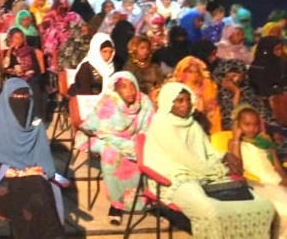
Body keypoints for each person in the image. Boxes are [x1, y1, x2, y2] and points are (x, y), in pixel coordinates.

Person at [143, 82, 275, 239]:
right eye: (179, 101)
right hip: (173, 179)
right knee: (211, 211)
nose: (185, 105)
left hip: (204, 174)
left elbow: (208, 153)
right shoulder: (161, 125)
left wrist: (224, 156)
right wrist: (218, 169)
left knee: (262, 205)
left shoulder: (192, 125)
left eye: (187, 100)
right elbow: (186, 159)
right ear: (168, 102)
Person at [0, 78, 64, 238]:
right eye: (15, 98)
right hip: (2, 185)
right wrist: (15, 173)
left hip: (35, 182)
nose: (20, 102)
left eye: (25, 98)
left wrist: (37, 171)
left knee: (37, 189)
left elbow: (47, 167)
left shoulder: (36, 128)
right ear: (5, 99)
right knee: (36, 194)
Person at [81, 72, 154, 225]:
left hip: (135, 140)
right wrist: (123, 144)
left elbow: (149, 128)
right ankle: (116, 204)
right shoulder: (109, 102)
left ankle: (143, 199)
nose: (130, 91)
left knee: (145, 151)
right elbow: (94, 127)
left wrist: (135, 143)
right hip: (107, 139)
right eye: (124, 87)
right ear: (116, 89)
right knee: (111, 154)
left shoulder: (145, 102)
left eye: (132, 86)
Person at [228, 105, 287, 239]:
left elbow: (276, 164)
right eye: (246, 124)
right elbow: (236, 166)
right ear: (238, 125)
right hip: (256, 183)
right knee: (283, 210)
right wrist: (236, 138)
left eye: (255, 125)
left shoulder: (265, 140)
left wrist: (284, 178)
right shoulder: (233, 142)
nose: (252, 129)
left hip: (274, 179)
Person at [4, 28, 47, 121]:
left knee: (34, 87)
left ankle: (37, 117)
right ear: (11, 39)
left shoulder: (30, 50)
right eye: (15, 38)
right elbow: (5, 66)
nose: (18, 40)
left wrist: (26, 72)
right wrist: (10, 50)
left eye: (20, 37)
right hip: (16, 78)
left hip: (31, 76)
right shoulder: (9, 53)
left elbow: (35, 68)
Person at [172, 56, 221, 134]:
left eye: (196, 72)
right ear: (182, 72)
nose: (194, 75)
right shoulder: (174, 87)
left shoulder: (206, 86)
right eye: (190, 72)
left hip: (201, 124)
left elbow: (212, 111)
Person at [40, 0, 83, 71]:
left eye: (65, 8)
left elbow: (82, 28)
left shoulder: (72, 16)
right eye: (61, 8)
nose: (63, 10)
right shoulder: (49, 18)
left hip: (71, 51)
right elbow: (48, 41)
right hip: (55, 54)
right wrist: (55, 60)